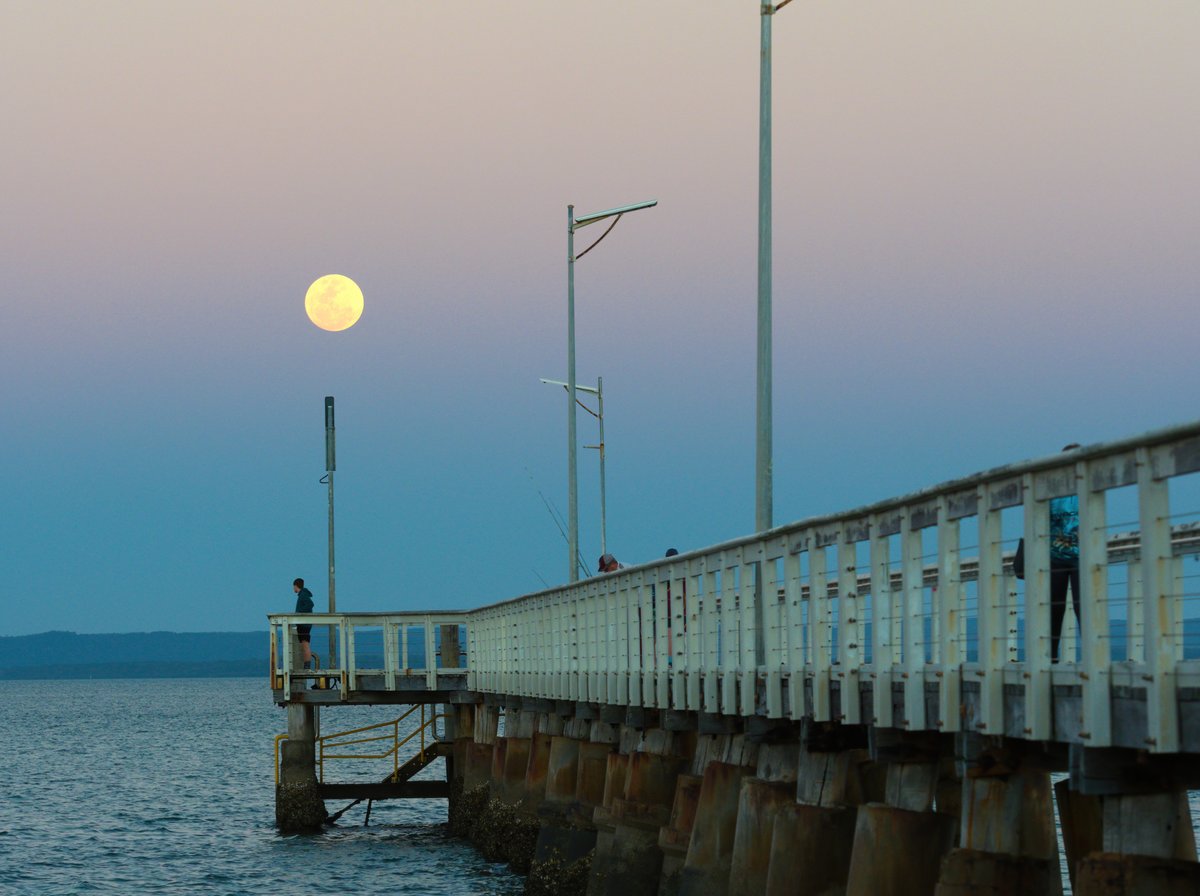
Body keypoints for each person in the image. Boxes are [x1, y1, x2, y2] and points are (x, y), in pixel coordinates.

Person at [1049, 444, 1082, 661]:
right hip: (1055, 557)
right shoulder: (1051, 490)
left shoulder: (1088, 486)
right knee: (1053, 610)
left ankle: (1091, 656)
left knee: (1084, 607)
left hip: (1081, 557)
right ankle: (1050, 657)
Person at [292, 577, 314, 669]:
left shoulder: (303, 595)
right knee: (304, 644)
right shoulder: (303, 594)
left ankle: (307, 665)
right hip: (304, 624)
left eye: (293, 587)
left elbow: (310, 604)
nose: (293, 589)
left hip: (304, 624)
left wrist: (300, 612)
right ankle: (306, 664)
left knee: (305, 644)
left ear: (296, 586)